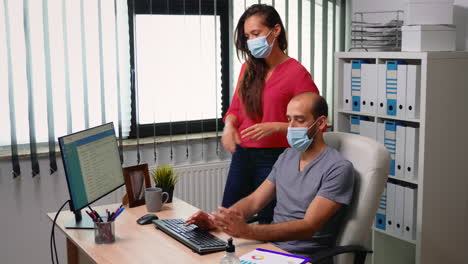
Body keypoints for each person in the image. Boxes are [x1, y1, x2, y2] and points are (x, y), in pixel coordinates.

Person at [187, 92, 355, 263]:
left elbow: (308, 226)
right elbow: (254, 201)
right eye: (289, 119)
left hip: (303, 258)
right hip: (270, 250)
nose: (291, 127)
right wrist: (217, 222)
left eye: (300, 120)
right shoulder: (288, 156)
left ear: (320, 123)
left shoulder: (338, 168)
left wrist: (247, 231)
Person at [222, 4, 319, 224]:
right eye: (248, 36)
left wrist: (275, 126)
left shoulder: (297, 73)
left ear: (276, 31)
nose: (251, 40)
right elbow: (235, 109)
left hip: (276, 157)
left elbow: (316, 124)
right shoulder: (248, 69)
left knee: (268, 223)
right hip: (242, 154)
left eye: (256, 33)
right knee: (227, 219)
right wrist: (229, 126)